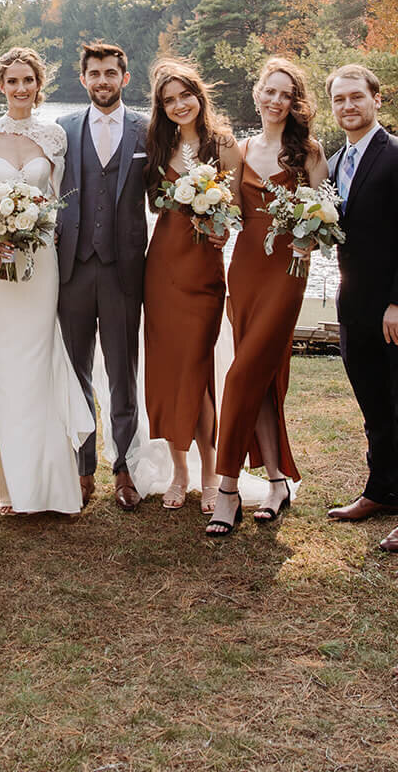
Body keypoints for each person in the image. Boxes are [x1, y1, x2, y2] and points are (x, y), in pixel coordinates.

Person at [0, 46, 92, 515]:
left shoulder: (55, 136)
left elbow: (59, 201)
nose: (21, 89)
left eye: (29, 81)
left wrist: (35, 230)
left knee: (38, 360)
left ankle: (49, 483)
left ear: (40, 86)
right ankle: (9, 487)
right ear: (1, 86)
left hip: (40, 262)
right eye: (13, 81)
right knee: (3, 364)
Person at [207, 57, 328, 536]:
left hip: (286, 269)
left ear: (295, 102)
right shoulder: (240, 149)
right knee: (260, 374)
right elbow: (234, 213)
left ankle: (228, 489)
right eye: (269, 91)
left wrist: (310, 238)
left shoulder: (309, 153)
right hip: (246, 269)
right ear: (256, 94)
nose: (276, 100)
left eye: (286, 94)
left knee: (240, 375)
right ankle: (277, 481)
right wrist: (214, 223)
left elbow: (327, 215)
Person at [325, 63, 398, 552]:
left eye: (356, 97)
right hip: (354, 306)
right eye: (339, 99)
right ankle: (383, 491)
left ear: (377, 99)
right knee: (374, 407)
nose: (348, 106)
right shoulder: (334, 163)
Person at [143, 59, 241, 512]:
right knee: (168, 370)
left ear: (199, 96)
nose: (179, 105)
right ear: (161, 108)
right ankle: (178, 471)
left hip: (203, 271)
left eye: (186, 95)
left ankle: (208, 469)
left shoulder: (224, 146)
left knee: (199, 371)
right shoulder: (157, 146)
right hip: (162, 270)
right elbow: (151, 204)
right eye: (169, 100)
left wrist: (222, 228)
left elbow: (237, 210)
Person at [57, 41, 149, 512]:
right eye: (94, 73)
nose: (102, 81)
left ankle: (124, 468)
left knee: (122, 373)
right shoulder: (63, 128)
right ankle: (82, 467)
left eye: (111, 73)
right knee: (74, 373)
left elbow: (169, 192)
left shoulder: (147, 130)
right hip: (71, 268)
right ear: (84, 78)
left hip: (123, 272)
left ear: (124, 78)